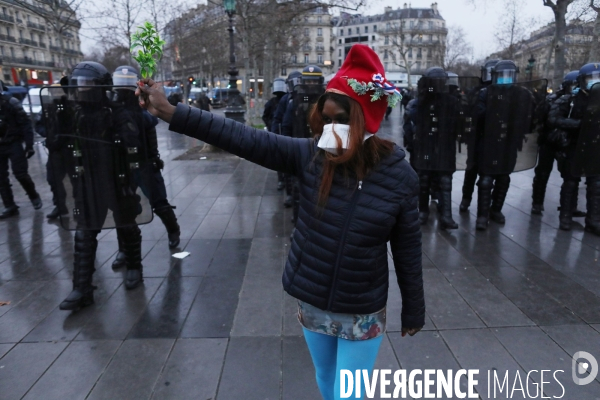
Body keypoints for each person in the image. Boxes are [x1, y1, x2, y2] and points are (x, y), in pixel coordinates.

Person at [136, 44, 424, 400]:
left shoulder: (399, 177)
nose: (330, 129)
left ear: (367, 121)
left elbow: (408, 249)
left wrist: (413, 309)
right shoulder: (311, 156)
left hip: (361, 306)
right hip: (312, 294)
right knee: (325, 376)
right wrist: (170, 112)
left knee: (349, 392)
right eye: (325, 118)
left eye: (341, 121)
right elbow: (242, 137)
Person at [55, 61, 149, 310]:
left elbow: (133, 141)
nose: (81, 89)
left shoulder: (116, 111)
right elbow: (60, 140)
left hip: (117, 179)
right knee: (85, 234)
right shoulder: (74, 113)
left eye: (86, 84)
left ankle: (134, 268)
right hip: (88, 182)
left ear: (98, 86)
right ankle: (82, 288)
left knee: (127, 225)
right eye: (78, 84)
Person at [110, 65, 181, 269]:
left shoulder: (140, 107)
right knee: (122, 209)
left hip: (144, 162)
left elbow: (150, 124)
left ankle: (173, 230)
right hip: (121, 164)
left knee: (159, 202)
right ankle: (124, 248)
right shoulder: (112, 109)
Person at [474, 60, 540, 231]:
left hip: (509, 142)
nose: (505, 80)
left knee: (503, 178)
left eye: (508, 76)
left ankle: (496, 210)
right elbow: (476, 115)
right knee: (486, 180)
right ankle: (482, 215)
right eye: (501, 76)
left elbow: (531, 116)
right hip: (488, 141)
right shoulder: (485, 93)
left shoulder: (522, 94)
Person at [405, 67, 460, 229]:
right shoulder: (419, 102)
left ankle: (446, 214)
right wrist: (412, 145)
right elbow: (410, 124)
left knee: (445, 180)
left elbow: (459, 124)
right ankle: (423, 211)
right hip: (425, 147)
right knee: (424, 180)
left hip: (443, 147)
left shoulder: (451, 102)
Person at [549, 63, 600, 233]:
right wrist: (580, 125)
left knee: (596, 184)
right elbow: (554, 119)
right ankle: (566, 216)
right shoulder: (569, 99)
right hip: (574, 146)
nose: (595, 82)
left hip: (595, 147)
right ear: (581, 81)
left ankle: (593, 220)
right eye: (591, 79)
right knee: (570, 182)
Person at [531, 70, 585, 217]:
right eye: (573, 85)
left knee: (571, 176)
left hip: (567, 142)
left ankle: (570, 207)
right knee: (542, 173)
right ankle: (537, 203)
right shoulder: (554, 99)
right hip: (549, 141)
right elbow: (550, 119)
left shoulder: (580, 100)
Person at [283, 65, 325, 225]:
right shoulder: (295, 101)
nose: (312, 85)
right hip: (299, 148)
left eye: (315, 82)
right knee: (298, 188)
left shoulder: (328, 99)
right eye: (309, 81)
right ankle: (298, 222)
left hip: (323, 149)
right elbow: (286, 125)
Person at [459, 59, 499, 212]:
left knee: (498, 174)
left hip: (498, 140)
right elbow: (470, 111)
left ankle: (495, 208)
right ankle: (466, 199)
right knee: (472, 170)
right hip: (477, 137)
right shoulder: (476, 91)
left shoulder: (510, 92)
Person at [0, 82, 42, 218]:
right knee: (1, 178)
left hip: (13, 142)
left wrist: (29, 145)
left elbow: (25, 124)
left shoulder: (11, 103)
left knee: (20, 173)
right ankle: (9, 205)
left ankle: (33, 195)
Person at [271, 71, 300, 194]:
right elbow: (277, 118)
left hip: (303, 135)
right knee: (288, 167)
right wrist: (275, 136)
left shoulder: (304, 96)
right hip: (289, 135)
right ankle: (289, 193)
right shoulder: (286, 99)